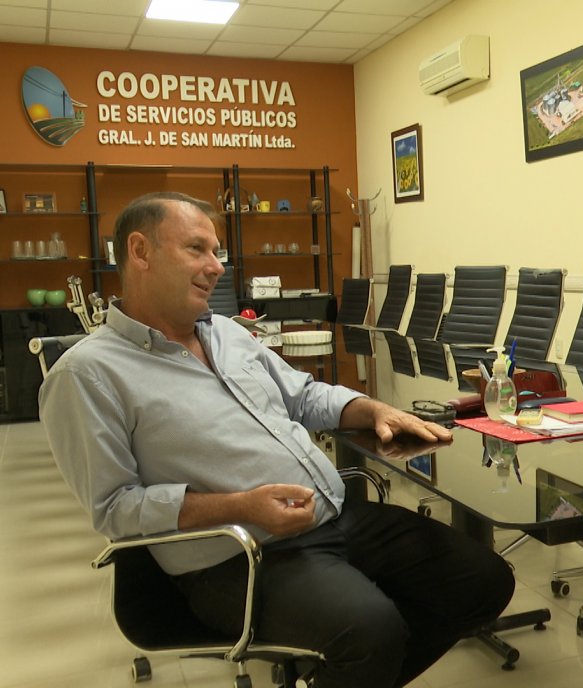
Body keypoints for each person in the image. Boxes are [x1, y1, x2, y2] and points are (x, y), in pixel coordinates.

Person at [39, 191, 515, 688]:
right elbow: (115, 506)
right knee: (370, 632)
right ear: (140, 252)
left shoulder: (227, 333)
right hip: (240, 556)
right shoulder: (88, 374)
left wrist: (371, 408)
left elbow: (305, 396)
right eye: (197, 249)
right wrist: (242, 506)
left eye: (216, 251)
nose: (217, 267)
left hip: (334, 513)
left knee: (484, 582)